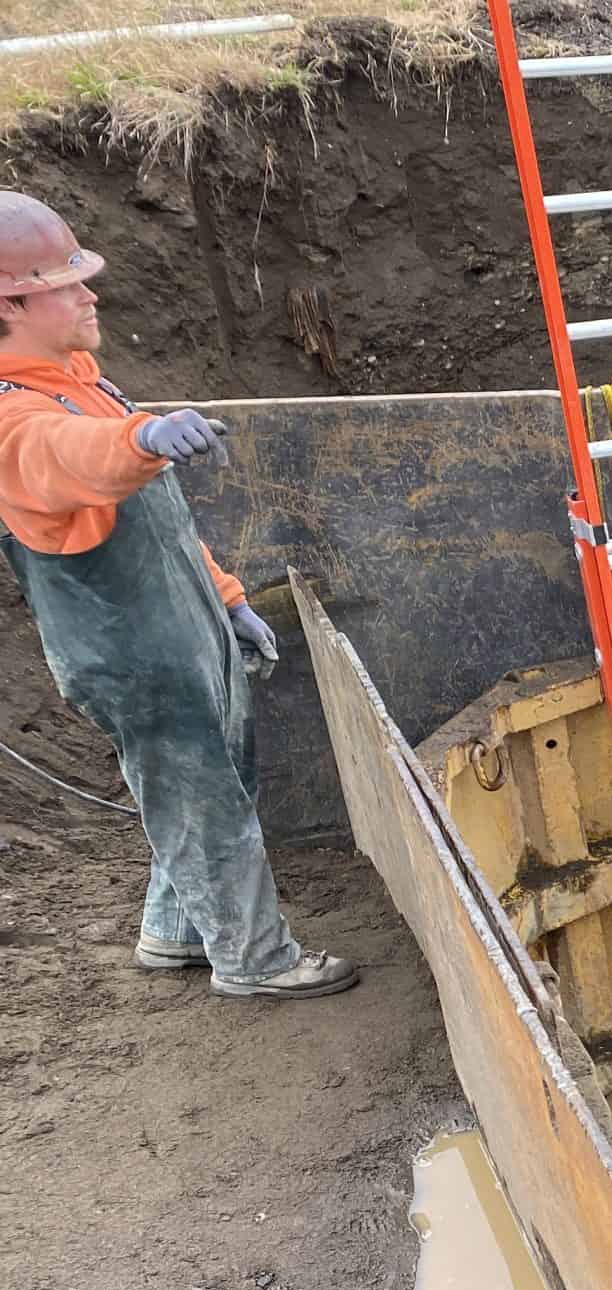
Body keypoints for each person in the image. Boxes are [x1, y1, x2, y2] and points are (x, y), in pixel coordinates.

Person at [0, 191, 355, 998]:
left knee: (210, 784)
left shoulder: (81, 384)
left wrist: (225, 598)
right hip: (128, 654)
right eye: (68, 283)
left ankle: (176, 931)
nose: (90, 293)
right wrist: (143, 437)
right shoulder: (17, 415)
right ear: (11, 304)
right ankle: (255, 962)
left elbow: (163, 526)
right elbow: (70, 457)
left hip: (177, 631)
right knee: (203, 804)